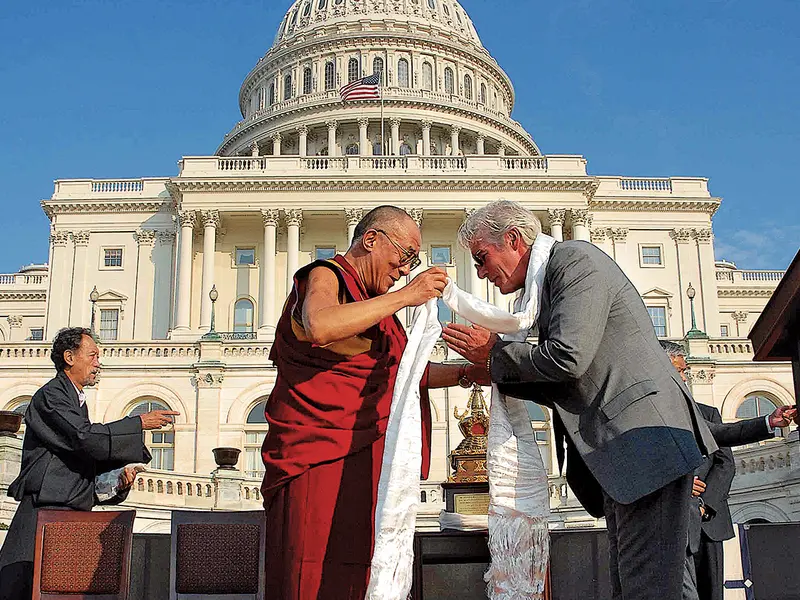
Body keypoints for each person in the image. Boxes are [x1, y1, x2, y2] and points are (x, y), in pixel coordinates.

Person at [441, 199, 725, 600]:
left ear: (513, 239)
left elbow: (567, 358)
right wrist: (490, 368)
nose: (481, 273)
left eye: (482, 258)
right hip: (624, 454)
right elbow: (562, 380)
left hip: (642, 446)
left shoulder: (574, 260)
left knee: (648, 588)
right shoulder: (546, 286)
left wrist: (494, 354)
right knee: (635, 586)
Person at [261, 206, 489, 600]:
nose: (404, 270)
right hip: (316, 458)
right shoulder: (325, 275)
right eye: (404, 257)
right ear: (371, 240)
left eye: (411, 263)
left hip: (369, 464)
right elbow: (321, 325)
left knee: (364, 570)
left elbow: (402, 374)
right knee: (313, 571)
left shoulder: (376, 312)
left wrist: (468, 373)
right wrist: (405, 297)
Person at [0, 327, 179, 600]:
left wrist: (115, 482)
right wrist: (139, 422)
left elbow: (78, 462)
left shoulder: (75, 399)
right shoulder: (52, 395)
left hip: (68, 513)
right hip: (44, 513)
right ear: (70, 357)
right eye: (93, 355)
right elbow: (83, 438)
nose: (98, 363)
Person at [660, 340, 795, 600]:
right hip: (671, 523)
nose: (685, 378)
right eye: (679, 371)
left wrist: (703, 506)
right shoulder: (646, 414)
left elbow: (725, 461)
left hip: (709, 522)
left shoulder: (706, 413)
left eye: (686, 371)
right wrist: (682, 486)